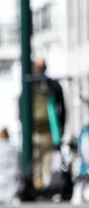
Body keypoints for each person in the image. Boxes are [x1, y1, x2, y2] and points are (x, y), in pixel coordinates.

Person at [29, 57, 67, 188]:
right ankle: (38, 185)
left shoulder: (52, 86)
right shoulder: (30, 85)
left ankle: (47, 186)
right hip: (34, 132)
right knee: (36, 163)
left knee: (48, 162)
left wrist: (61, 128)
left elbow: (61, 108)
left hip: (49, 131)